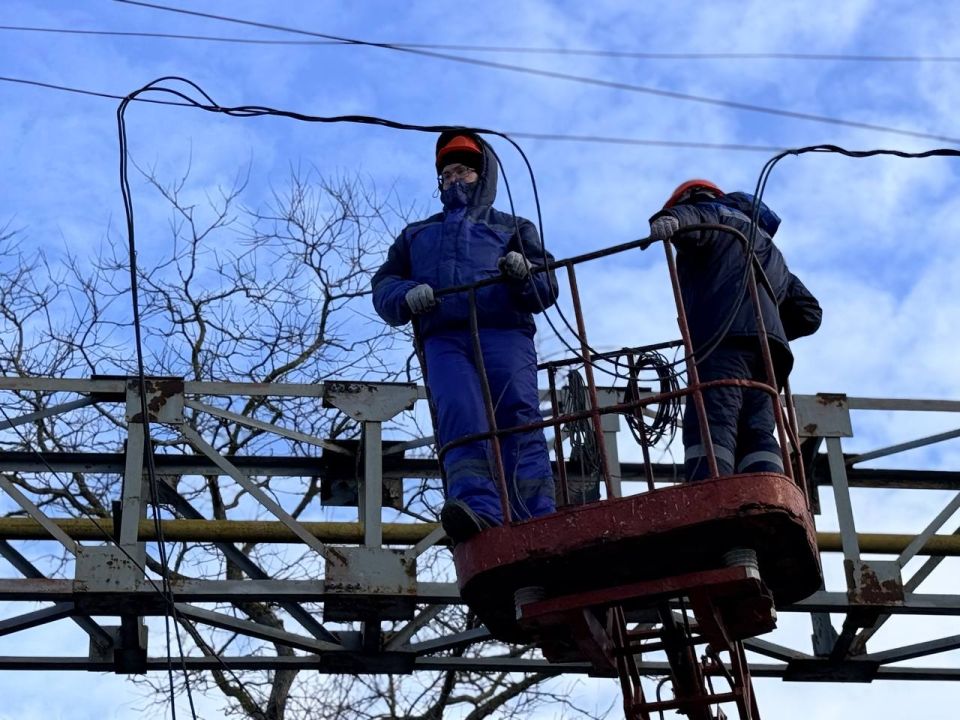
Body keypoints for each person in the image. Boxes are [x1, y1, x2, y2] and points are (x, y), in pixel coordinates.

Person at [372, 131, 559, 542]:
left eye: (465, 170)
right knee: (461, 416)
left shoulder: (512, 227)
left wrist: (523, 271)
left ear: (483, 175)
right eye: (448, 172)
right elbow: (384, 286)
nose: (456, 178)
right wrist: (406, 294)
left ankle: (536, 515)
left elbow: (546, 287)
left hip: (504, 333)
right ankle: (478, 510)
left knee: (517, 416)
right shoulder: (417, 235)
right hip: (444, 339)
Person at [645, 179, 822, 481]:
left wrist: (670, 220)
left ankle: (708, 493)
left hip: (723, 342)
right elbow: (808, 313)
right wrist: (765, 326)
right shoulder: (768, 246)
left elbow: (696, 219)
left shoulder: (713, 214)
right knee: (757, 428)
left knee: (711, 420)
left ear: (691, 198)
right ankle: (765, 486)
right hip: (770, 353)